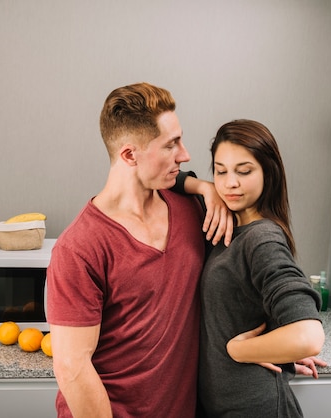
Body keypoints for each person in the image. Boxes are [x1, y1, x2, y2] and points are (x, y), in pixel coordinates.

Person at [46, 82, 231, 417]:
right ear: (129, 154)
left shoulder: (193, 211)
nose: (185, 154)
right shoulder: (79, 248)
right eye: (171, 145)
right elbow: (72, 368)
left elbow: (231, 285)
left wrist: (277, 337)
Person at [194, 119, 326, 417]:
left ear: (269, 172)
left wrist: (238, 350)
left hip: (256, 407)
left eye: (244, 171)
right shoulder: (225, 227)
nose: (230, 183)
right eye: (220, 170)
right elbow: (166, 179)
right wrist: (203, 186)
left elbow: (308, 336)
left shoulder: (261, 237)